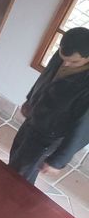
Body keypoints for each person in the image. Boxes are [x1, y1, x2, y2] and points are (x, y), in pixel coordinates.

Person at [9, 27, 89, 184]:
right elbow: (46, 77)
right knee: (15, 159)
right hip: (35, 118)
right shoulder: (63, 55)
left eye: (74, 62)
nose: (66, 63)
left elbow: (84, 127)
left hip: (50, 135)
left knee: (21, 175)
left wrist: (59, 160)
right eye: (63, 57)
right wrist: (30, 99)